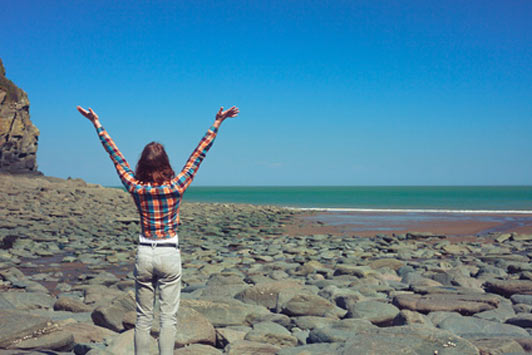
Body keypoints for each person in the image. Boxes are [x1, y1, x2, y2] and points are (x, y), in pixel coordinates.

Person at [77, 104, 239, 355]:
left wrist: (97, 124)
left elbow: (115, 156)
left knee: (143, 319)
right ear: (165, 163)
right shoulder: (177, 186)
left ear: (142, 163)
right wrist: (217, 122)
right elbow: (199, 154)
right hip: (169, 253)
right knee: (168, 319)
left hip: (145, 253)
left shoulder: (135, 187)